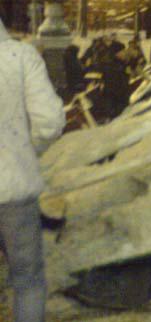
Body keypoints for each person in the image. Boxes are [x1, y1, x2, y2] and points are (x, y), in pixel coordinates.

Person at [0, 17, 66, 321]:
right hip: (14, 187)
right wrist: (28, 150)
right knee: (27, 280)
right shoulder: (21, 56)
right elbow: (50, 121)